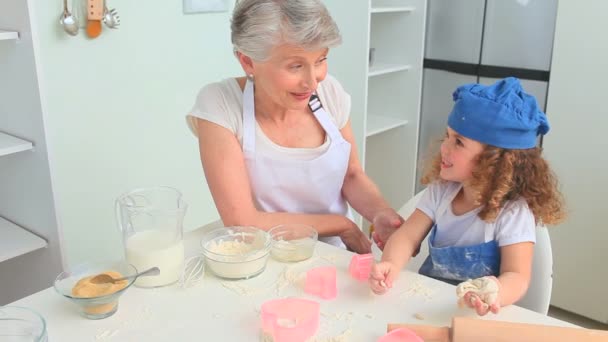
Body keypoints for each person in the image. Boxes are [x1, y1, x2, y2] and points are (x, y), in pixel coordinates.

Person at [186, 0, 403, 254]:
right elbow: (243, 221)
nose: (312, 82)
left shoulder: (329, 92)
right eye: (295, 66)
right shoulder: (220, 105)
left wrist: (380, 212)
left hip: (335, 255)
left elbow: (351, 175)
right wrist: (341, 225)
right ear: (247, 62)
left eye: (321, 60)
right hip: (264, 254)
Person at [369, 77, 566, 315]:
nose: (444, 147)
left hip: (480, 315)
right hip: (432, 305)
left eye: (459, 142)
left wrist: (495, 291)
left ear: (495, 161)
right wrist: (390, 263)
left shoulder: (512, 212)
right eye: (448, 136)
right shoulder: (442, 191)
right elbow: (407, 237)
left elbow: (517, 276)